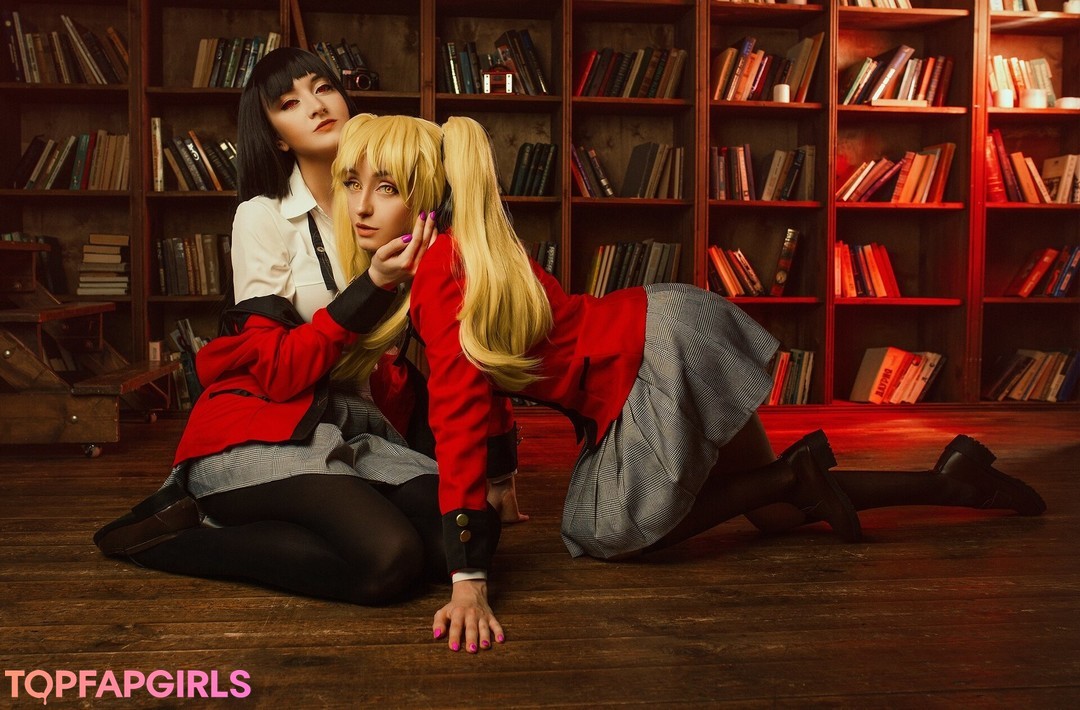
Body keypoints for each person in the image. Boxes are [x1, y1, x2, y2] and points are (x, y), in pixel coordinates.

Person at [328, 113, 1047, 652]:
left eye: (386, 188)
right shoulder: (460, 253)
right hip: (666, 329)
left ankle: (793, 476)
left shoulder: (441, 275)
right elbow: (483, 389)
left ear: (426, 199)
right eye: (352, 183)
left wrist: (468, 579)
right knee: (774, 517)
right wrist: (503, 481)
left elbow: (458, 414)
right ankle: (952, 482)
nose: (360, 206)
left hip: (652, 360)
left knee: (602, 532)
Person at [92, 48, 519, 607]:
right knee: (390, 559)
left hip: (354, 428)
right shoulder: (262, 217)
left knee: (471, 535)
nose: (316, 106)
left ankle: (305, 520)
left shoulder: (404, 196)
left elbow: (471, 335)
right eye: (289, 103)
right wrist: (374, 284)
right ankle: (176, 535)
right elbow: (276, 372)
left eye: (323, 88)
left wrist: (499, 468)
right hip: (262, 423)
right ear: (275, 137)